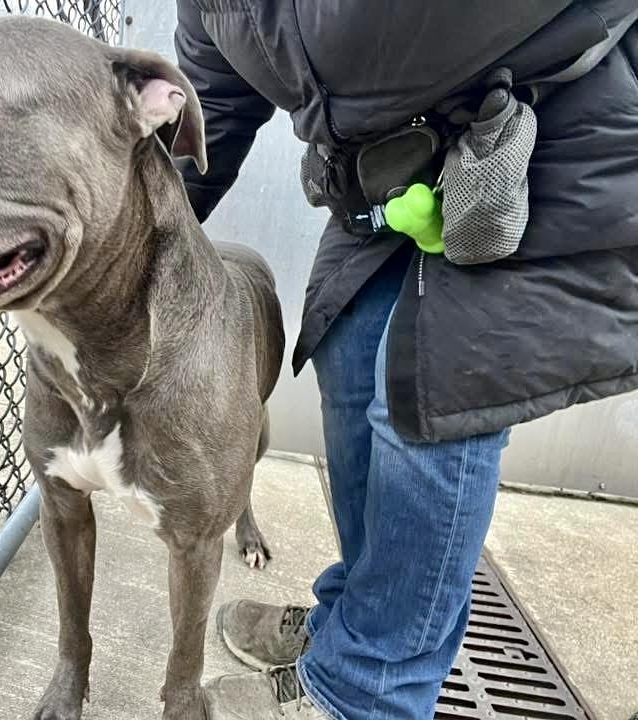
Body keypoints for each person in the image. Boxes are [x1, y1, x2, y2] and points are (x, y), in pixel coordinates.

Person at [171, 2, 638, 718]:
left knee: (429, 401)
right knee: (350, 357)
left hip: (550, 144)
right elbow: (214, 106)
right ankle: (353, 628)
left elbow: (361, 45)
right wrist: (124, 249)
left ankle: (367, 694)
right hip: (387, 173)